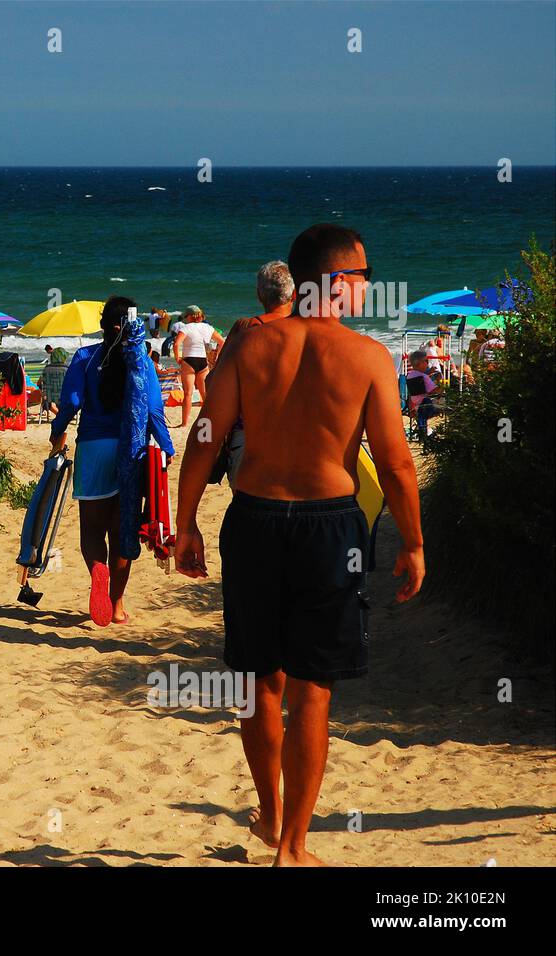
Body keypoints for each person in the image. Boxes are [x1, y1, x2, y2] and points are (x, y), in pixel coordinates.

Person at [173, 223, 424, 866]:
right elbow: (395, 465)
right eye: (364, 277)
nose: (368, 288)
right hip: (328, 527)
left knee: (261, 681)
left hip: (254, 520)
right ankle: (293, 847)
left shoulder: (249, 346)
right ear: (337, 282)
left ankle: (271, 814)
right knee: (313, 688)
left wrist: (187, 521)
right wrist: (414, 542)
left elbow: (205, 435)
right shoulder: (368, 358)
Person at [50, 297, 175, 627]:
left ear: (103, 324)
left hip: (92, 448)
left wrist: (56, 435)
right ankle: (117, 607)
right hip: (130, 451)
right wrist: (167, 446)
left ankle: (97, 570)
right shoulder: (142, 361)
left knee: (92, 530)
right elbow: (153, 411)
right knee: (122, 533)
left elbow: (70, 404)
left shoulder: (84, 357)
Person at [215, 261, 295, 487]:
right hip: (298, 439)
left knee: (249, 514)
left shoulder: (246, 328)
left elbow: (215, 385)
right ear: (295, 295)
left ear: (259, 294)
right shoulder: (310, 331)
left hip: (249, 437)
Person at [173, 305, 224, 427]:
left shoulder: (186, 327)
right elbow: (222, 342)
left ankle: (184, 423)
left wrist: (177, 358)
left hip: (189, 361)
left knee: (188, 394)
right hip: (203, 361)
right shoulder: (208, 327)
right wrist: (217, 357)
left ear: (190, 316)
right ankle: (210, 419)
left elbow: (176, 344)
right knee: (205, 393)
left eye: (186, 316)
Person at [404, 351, 441, 438]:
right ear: (419, 363)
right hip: (426, 405)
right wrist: (440, 383)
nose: (428, 363)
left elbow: (419, 378)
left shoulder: (410, 376)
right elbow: (434, 391)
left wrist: (428, 374)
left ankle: (423, 429)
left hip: (415, 404)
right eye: (426, 361)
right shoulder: (424, 377)